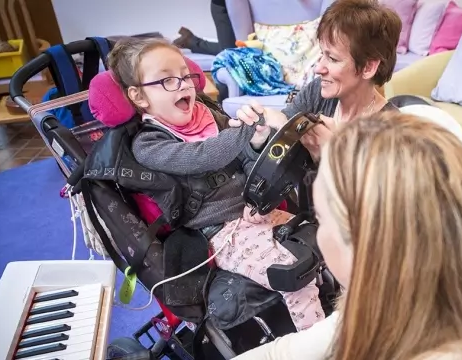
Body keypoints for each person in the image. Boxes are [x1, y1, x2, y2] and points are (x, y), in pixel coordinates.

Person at [233, 112, 462, 360]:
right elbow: (288, 352)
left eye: (321, 220)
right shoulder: (403, 297)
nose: (317, 234)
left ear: (369, 246)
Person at [107, 37, 325, 331]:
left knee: (327, 243)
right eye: (167, 80)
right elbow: (201, 156)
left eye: (185, 76)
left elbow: (247, 163)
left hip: (256, 209)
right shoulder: (148, 144)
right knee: (293, 275)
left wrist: (258, 142)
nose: (183, 85)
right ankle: (320, 342)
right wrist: (244, 131)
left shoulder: (209, 116)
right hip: (222, 232)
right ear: (139, 96)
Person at [231, 0, 402, 163]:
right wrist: (261, 138)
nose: (318, 68)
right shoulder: (317, 91)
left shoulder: (392, 133)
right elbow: (274, 151)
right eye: (322, 54)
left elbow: (373, 193)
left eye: (333, 59)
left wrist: (334, 154)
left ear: (368, 67)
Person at [172, 0, 236, 55]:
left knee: (235, 50)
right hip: (223, 5)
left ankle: (191, 41)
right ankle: (191, 41)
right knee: (231, 52)